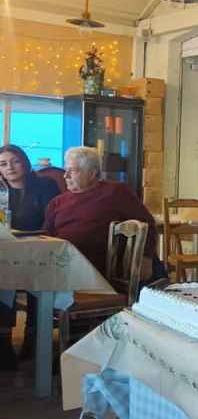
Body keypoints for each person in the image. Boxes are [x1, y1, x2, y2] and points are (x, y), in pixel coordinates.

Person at [43, 146, 157, 280]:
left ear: (91, 173)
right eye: (65, 170)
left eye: (72, 171)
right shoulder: (57, 202)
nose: (65, 176)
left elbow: (147, 223)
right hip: (60, 264)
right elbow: (46, 235)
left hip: (98, 269)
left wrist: (146, 257)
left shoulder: (115, 192)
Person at [0, 145, 60, 369]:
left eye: (15, 161)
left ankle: (33, 337)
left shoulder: (46, 185)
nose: (10, 167)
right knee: (3, 278)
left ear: (25, 163)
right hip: (8, 252)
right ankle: (4, 341)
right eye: (3, 164)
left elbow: (54, 219)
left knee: (38, 280)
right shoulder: (0, 189)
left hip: (40, 251)